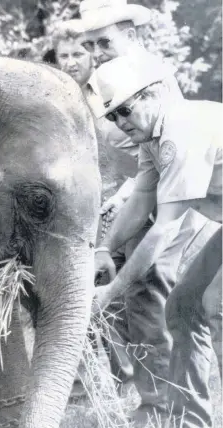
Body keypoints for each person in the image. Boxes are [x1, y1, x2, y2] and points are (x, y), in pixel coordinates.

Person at [92, 54, 222, 428]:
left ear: (153, 96)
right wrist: (104, 249)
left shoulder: (181, 131)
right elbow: (139, 203)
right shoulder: (153, 136)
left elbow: (163, 230)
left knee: (216, 305)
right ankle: (190, 422)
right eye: (112, 116)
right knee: (182, 307)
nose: (120, 122)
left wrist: (113, 290)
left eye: (125, 110)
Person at [79, 0, 184, 422]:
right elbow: (142, 165)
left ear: (134, 35)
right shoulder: (104, 82)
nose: (97, 51)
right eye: (90, 44)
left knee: (148, 299)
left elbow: (163, 167)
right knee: (125, 306)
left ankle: (163, 405)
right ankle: (146, 396)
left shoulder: (156, 80)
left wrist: (125, 199)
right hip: (127, 203)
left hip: (168, 205)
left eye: (105, 41)